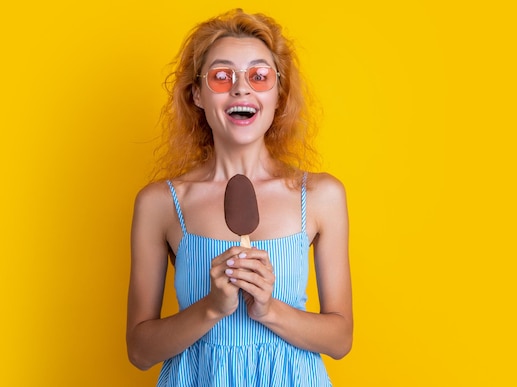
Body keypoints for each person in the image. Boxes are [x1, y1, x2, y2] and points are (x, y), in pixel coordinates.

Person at [126, 8, 353, 386]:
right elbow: (139, 351)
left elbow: (341, 339)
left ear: (279, 94)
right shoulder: (160, 203)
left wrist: (268, 310)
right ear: (197, 94)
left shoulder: (319, 196)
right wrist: (212, 309)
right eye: (221, 76)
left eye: (259, 76)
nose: (241, 88)